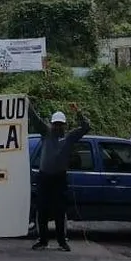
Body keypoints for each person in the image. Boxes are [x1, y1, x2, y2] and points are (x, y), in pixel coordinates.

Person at [30, 108, 91, 252]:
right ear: (51, 124)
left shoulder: (69, 137)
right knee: (42, 210)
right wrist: (27, 104)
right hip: (44, 177)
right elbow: (34, 118)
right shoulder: (46, 132)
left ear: (64, 125)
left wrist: (78, 112)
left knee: (60, 211)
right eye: (55, 124)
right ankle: (43, 240)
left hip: (59, 178)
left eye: (60, 124)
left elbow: (86, 127)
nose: (57, 126)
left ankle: (61, 241)